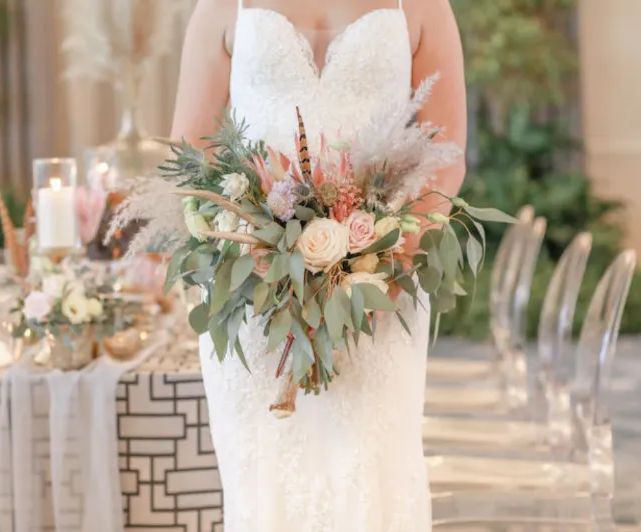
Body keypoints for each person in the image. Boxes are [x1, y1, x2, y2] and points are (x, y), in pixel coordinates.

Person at [171, 0, 466, 530]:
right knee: (266, 486)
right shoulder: (219, 6)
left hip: (382, 289)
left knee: (372, 475)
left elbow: (447, 151)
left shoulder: (423, 6)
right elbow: (190, 154)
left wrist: (392, 256)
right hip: (256, 295)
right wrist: (253, 251)